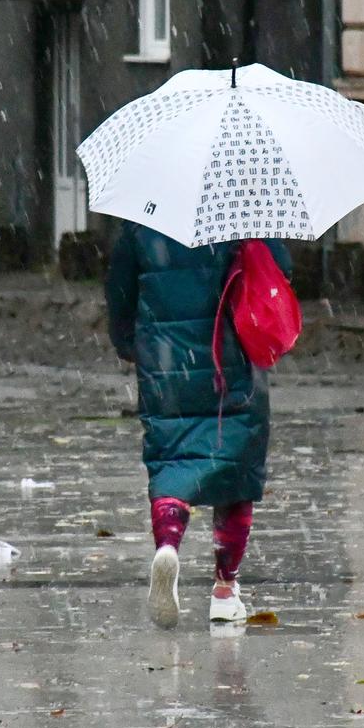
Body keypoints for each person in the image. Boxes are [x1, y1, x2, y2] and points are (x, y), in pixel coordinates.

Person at [104, 221, 292, 629]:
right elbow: (279, 271)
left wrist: (129, 343)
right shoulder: (244, 207)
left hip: (165, 363)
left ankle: (168, 546)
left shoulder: (144, 217)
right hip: (233, 358)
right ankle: (225, 590)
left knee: (173, 462)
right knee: (235, 468)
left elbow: (119, 291)